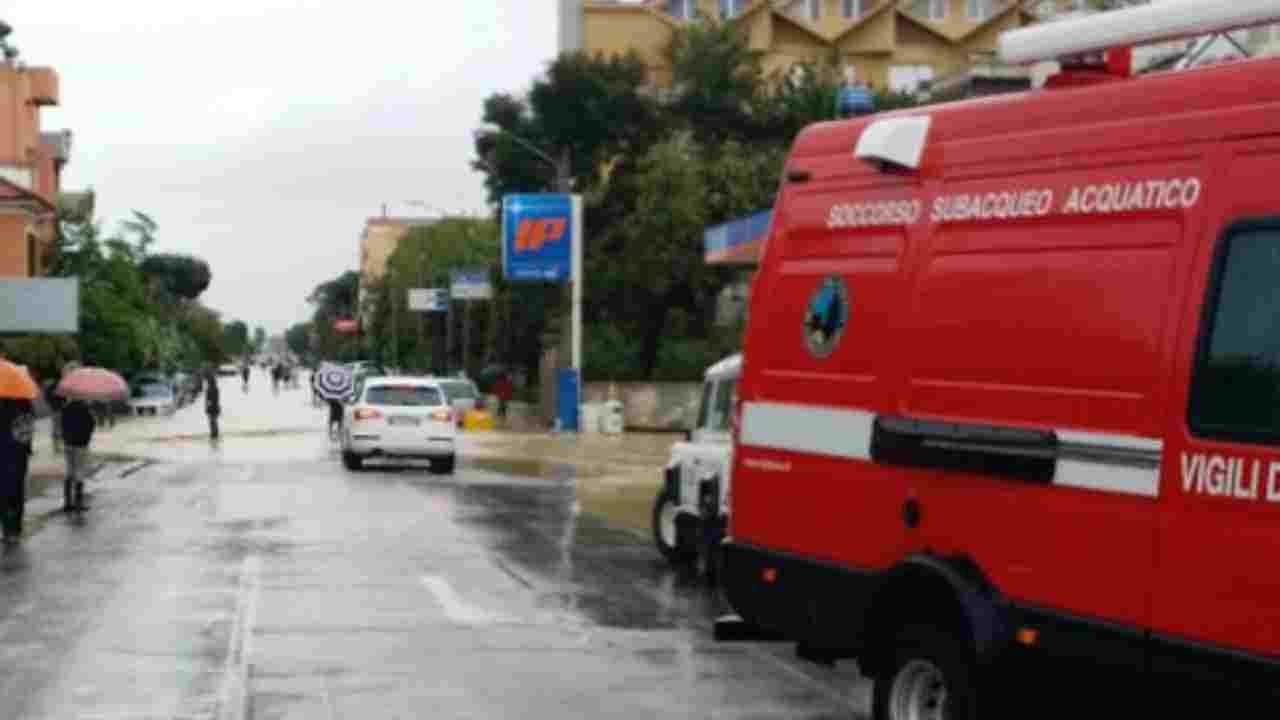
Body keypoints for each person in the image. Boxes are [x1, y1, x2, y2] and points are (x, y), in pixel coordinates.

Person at [0, 397, 35, 544]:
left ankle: (8, 530)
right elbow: (30, 426)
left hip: (3, 452)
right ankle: (16, 529)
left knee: (3, 491)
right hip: (20, 452)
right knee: (17, 489)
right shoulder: (24, 401)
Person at [61, 396, 95, 513]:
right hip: (81, 444)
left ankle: (67, 503)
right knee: (79, 471)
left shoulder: (65, 408)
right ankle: (78, 503)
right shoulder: (85, 409)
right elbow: (91, 425)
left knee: (69, 471)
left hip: (68, 444)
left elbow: (62, 426)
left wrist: (65, 438)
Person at [205, 368, 221, 440]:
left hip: (212, 407)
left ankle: (213, 434)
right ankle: (215, 434)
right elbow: (216, 399)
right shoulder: (216, 389)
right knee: (214, 421)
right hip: (216, 406)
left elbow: (208, 400)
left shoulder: (209, 390)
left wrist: (207, 407)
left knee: (212, 421)